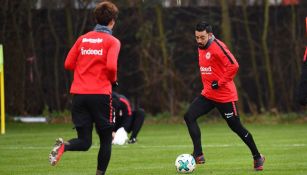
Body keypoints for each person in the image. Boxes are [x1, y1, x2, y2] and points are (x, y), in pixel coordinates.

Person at [48, 1, 120, 175]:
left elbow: (68, 63)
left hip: (79, 95)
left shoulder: (82, 39)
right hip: (100, 95)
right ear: (112, 22)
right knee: (105, 140)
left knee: (85, 141)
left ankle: (64, 146)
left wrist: (85, 68)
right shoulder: (113, 41)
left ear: (95, 19)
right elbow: (111, 67)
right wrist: (113, 80)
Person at [183, 21, 265, 171]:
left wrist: (219, 82)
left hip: (225, 96)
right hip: (208, 94)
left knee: (236, 127)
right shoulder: (201, 46)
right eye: (197, 37)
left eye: (202, 37)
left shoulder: (218, 47)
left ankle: (257, 157)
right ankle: (198, 154)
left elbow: (234, 65)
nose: (199, 41)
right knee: (189, 116)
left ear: (210, 34)